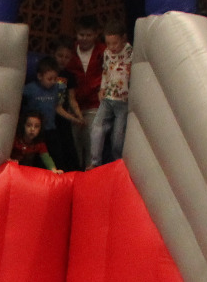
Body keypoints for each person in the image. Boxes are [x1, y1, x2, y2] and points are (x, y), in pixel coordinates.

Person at [21, 59, 81, 170]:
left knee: (56, 154)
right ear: (40, 76)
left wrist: (73, 118)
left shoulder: (56, 88)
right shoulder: (30, 89)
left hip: (50, 129)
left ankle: (58, 172)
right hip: (36, 130)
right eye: (49, 79)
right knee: (36, 157)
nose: (53, 82)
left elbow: (58, 107)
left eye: (55, 79)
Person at [88, 21, 132, 166]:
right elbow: (105, 72)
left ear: (123, 39)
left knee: (118, 137)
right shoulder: (107, 53)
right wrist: (102, 88)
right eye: (108, 43)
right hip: (108, 97)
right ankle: (95, 162)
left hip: (123, 100)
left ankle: (117, 163)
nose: (112, 47)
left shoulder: (130, 53)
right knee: (96, 128)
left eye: (115, 43)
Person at [65, 17, 105, 165]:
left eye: (88, 35)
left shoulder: (103, 51)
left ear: (96, 34)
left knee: (92, 138)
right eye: (82, 35)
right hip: (74, 103)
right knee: (74, 141)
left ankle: (91, 170)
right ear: (76, 33)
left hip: (94, 103)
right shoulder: (69, 51)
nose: (85, 38)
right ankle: (75, 171)